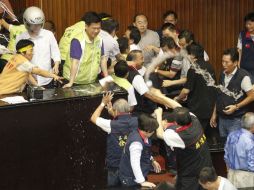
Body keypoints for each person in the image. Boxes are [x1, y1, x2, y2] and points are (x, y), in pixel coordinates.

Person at [155, 106, 213, 190]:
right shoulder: (195, 119)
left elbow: (159, 134)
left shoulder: (180, 136)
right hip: (206, 166)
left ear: (176, 123)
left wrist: (158, 114)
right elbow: (175, 104)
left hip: (191, 173)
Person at [90, 92, 138, 187]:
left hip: (115, 164)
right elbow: (123, 119)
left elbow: (93, 118)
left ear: (116, 111)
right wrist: (113, 112)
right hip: (132, 162)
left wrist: (103, 103)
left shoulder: (111, 125)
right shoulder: (137, 121)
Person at [210, 48, 254, 139]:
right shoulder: (222, 74)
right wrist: (214, 114)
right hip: (222, 119)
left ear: (235, 63)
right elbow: (219, 95)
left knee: (235, 146)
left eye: (227, 62)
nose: (224, 65)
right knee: (224, 147)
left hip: (236, 120)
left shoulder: (243, 76)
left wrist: (236, 106)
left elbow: (252, 96)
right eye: (222, 61)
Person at [16, 6, 61, 88]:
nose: (37, 27)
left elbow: (55, 51)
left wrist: (56, 64)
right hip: (29, 80)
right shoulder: (21, 38)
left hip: (47, 79)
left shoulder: (48, 35)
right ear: (26, 23)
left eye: (39, 24)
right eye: (34, 25)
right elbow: (19, 60)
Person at [176, 43, 216, 132]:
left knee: (196, 133)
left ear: (193, 55)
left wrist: (177, 98)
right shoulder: (210, 66)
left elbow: (186, 91)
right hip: (209, 107)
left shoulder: (193, 69)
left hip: (197, 109)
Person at [62, 12, 106, 88]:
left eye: (98, 28)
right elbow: (75, 62)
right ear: (86, 26)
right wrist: (71, 82)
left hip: (91, 80)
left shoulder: (100, 40)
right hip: (75, 81)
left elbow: (102, 58)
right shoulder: (77, 40)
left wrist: (106, 77)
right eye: (94, 28)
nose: (96, 31)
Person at [119, 113, 161, 188]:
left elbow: (145, 151)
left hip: (136, 176)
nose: (154, 132)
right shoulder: (136, 143)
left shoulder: (141, 133)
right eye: (153, 130)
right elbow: (135, 163)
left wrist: (152, 160)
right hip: (130, 179)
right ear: (147, 131)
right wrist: (142, 181)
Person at [224, 112, 254, 189]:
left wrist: (229, 170)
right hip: (246, 178)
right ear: (252, 126)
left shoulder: (231, 135)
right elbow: (252, 165)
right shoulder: (250, 141)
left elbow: (226, 156)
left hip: (231, 174)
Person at [237, 11, 254, 82]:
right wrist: (238, 63)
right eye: (246, 24)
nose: (248, 26)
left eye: (250, 24)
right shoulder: (242, 34)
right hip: (244, 68)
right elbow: (239, 50)